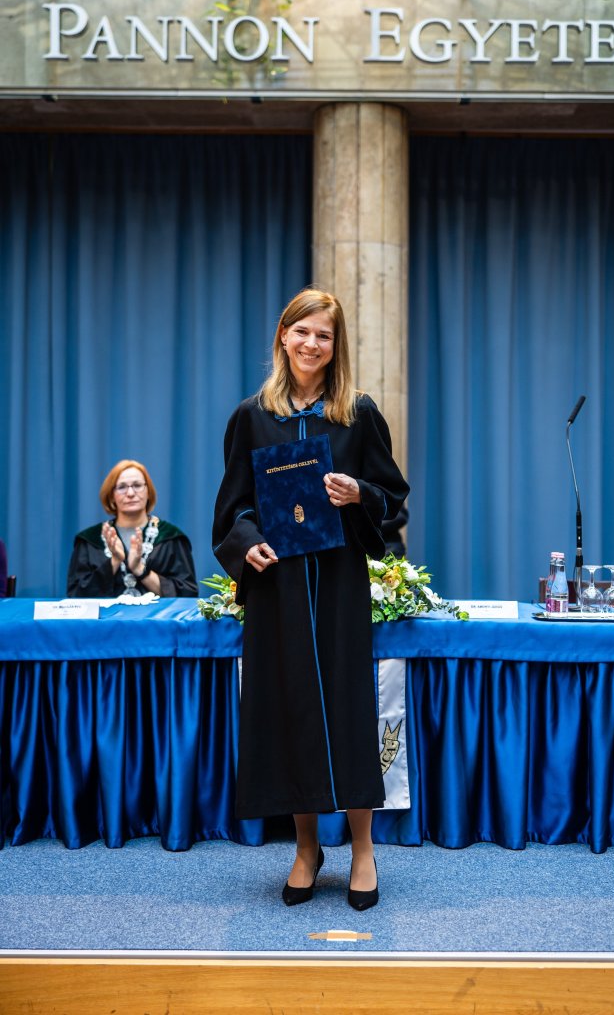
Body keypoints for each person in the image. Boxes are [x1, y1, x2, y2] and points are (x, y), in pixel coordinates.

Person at [212, 288, 409, 911]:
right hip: (280, 588)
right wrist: (247, 542)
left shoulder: (358, 413)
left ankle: (362, 849)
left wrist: (360, 495)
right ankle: (305, 849)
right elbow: (234, 506)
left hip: (339, 582)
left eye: (324, 335)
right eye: (302, 332)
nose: (311, 344)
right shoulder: (252, 416)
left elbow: (393, 498)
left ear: (335, 345)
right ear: (283, 335)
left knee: (348, 710)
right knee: (290, 709)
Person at [67, 460, 198, 599]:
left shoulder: (172, 538)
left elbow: (187, 595)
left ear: (148, 492)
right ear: (111, 496)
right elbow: (76, 597)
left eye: (137, 485)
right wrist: (114, 561)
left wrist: (140, 569)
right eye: (122, 487)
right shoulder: (89, 540)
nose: (130, 493)